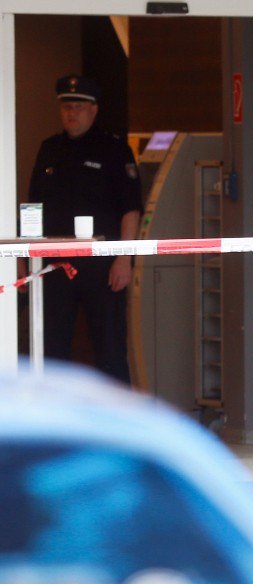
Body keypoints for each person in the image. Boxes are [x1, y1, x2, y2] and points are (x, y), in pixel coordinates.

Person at [27, 75, 141, 383]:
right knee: (51, 345)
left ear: (93, 110)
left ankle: (118, 418)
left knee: (110, 344)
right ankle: (53, 416)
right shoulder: (49, 149)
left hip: (102, 264)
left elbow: (131, 210)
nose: (71, 113)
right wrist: (28, 257)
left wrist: (124, 259)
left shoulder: (113, 149)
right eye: (66, 106)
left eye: (78, 106)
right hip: (55, 263)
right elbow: (32, 206)